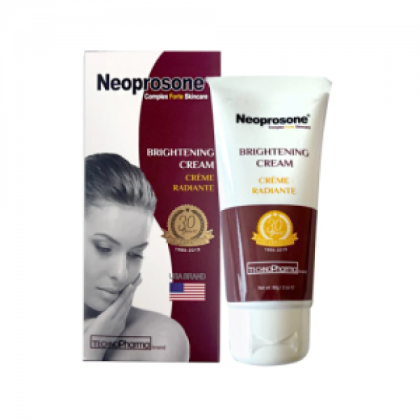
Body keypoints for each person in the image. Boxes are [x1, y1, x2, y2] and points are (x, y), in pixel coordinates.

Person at [84, 153, 189, 361]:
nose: (121, 274)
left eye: (135, 254)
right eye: (104, 248)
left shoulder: (159, 340)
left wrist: (90, 350)